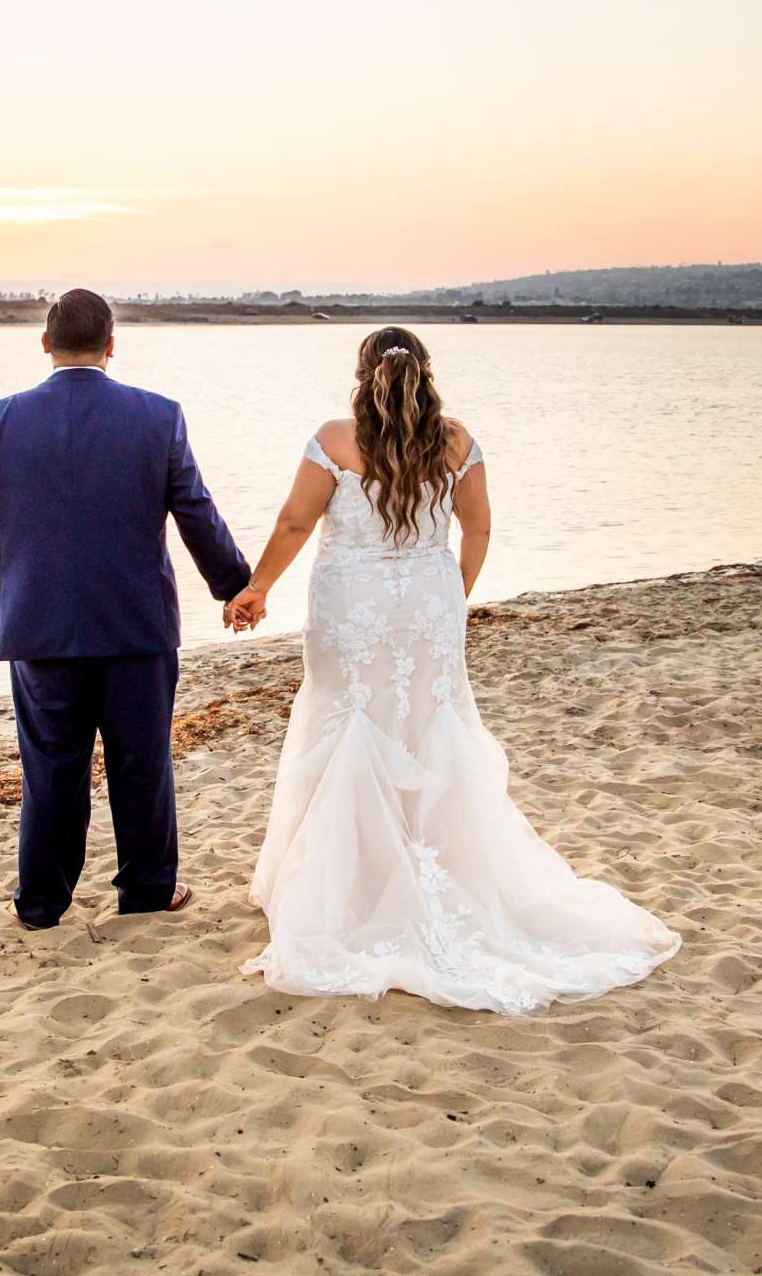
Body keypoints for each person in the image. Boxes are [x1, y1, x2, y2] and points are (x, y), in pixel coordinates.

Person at [226, 326, 681, 1013]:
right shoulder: (458, 443)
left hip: (352, 604)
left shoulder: (335, 438)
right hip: (428, 607)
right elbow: (479, 531)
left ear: (361, 375)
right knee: (423, 727)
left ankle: (348, 886)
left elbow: (294, 523)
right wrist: (448, 595)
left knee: (348, 722)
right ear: (426, 373)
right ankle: (426, 867)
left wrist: (257, 586)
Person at [0, 288, 252, 929]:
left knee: (50, 769)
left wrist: (2, 609)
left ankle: (41, 905)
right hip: (136, 624)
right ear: (112, 345)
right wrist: (234, 585)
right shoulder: (157, 416)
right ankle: (147, 891)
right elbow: (195, 511)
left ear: (45, 343)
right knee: (141, 763)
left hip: (38, 627)